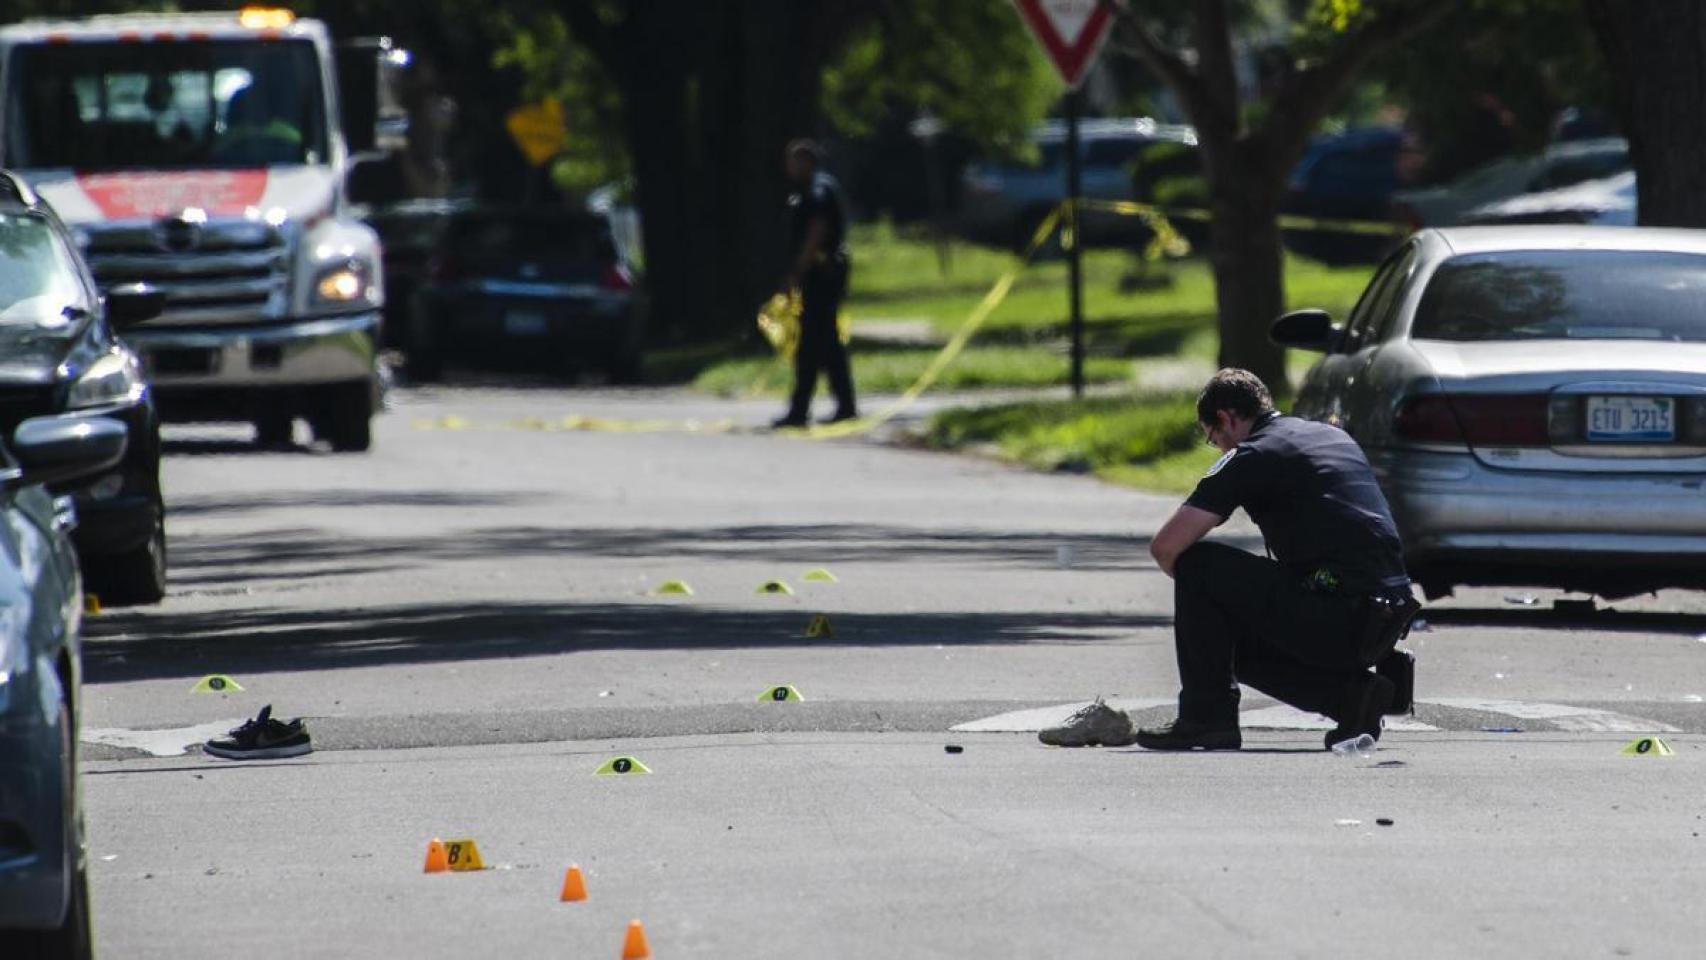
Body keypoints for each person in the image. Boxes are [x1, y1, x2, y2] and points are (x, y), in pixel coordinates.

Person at [1040, 368, 1418, 751]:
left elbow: (1167, 546)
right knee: (1220, 639)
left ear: (1225, 418)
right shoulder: (1328, 435)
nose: (1218, 446)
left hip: (1340, 612)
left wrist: (1200, 602)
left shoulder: (1252, 454)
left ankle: (1206, 718)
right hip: (1386, 615)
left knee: (1196, 565)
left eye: (1213, 437)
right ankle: (1353, 699)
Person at [772, 139, 856, 428]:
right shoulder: (815, 188)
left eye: (793, 161)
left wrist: (797, 271)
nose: (789, 167)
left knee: (810, 344)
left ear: (807, 161)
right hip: (823, 274)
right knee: (828, 343)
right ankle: (844, 404)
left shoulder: (817, 189)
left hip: (822, 275)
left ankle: (800, 409)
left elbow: (817, 230)